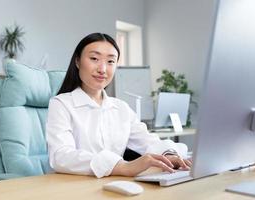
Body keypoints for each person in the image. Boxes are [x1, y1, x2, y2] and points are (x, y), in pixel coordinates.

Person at [46, 33, 191, 178]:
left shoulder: (121, 108)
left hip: (112, 184)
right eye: (94, 59)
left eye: (110, 61)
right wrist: (121, 167)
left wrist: (169, 156)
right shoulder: (61, 104)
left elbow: (148, 141)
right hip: (73, 186)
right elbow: (61, 156)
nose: (103, 69)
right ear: (77, 61)